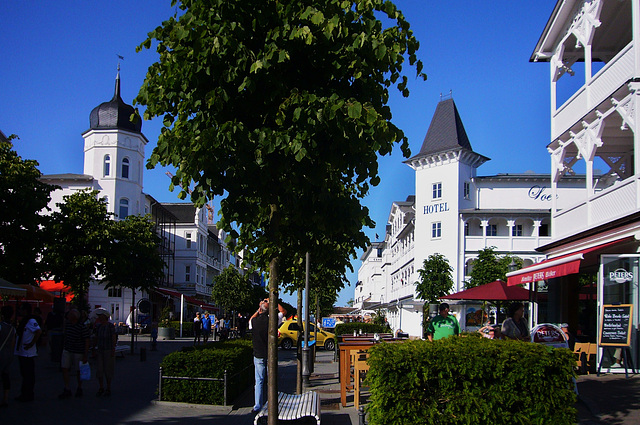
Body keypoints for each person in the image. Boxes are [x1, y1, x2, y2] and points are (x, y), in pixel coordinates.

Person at [250, 298, 286, 414]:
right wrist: (272, 301)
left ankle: (257, 406)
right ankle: (272, 403)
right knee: (271, 380)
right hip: (270, 354)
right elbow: (284, 312)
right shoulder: (273, 320)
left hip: (258, 354)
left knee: (259, 381)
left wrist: (260, 307)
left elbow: (251, 319)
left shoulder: (254, 322)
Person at [58, 309, 90, 399]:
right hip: (68, 349)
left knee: (78, 370)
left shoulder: (81, 327)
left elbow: (87, 340)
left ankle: (79, 387)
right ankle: (67, 387)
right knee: (64, 367)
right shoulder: (68, 325)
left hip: (78, 351)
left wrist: (85, 354)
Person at [14, 302, 41, 402]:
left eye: (21, 309)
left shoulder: (30, 321)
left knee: (28, 374)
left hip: (27, 353)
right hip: (22, 351)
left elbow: (38, 331)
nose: (20, 311)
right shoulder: (25, 321)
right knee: (25, 374)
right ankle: (25, 393)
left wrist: (31, 343)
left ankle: (28, 394)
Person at [93, 310, 117, 397]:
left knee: (108, 369)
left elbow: (113, 338)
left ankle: (108, 387)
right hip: (100, 350)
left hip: (108, 349)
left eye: (101, 316)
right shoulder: (98, 326)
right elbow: (96, 337)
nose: (99, 318)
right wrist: (93, 348)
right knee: (99, 370)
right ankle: (101, 387)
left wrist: (113, 349)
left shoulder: (110, 326)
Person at [0, 306, 16, 407]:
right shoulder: (13, 329)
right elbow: (13, 343)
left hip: (1, 353)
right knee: (6, 376)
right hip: (8, 354)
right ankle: (5, 398)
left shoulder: (1, 326)